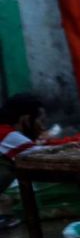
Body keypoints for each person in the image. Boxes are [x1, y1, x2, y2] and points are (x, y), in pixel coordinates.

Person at [0, 94, 47, 228]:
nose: (43, 128)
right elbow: (42, 155)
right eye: (41, 121)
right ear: (26, 119)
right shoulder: (8, 135)